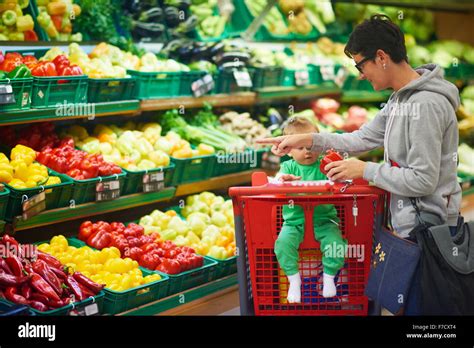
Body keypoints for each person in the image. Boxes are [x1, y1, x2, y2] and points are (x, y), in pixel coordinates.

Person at [258, 14, 461, 241]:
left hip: (433, 232)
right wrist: (306, 139)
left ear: (381, 57)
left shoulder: (425, 105)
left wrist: (365, 170)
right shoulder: (399, 100)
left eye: (360, 66)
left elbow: (423, 180)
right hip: (414, 226)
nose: (361, 75)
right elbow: (361, 139)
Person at [274, 117, 347, 303]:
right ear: (288, 151)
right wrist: (283, 179)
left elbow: (341, 177)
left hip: (325, 220)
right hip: (294, 222)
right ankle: (293, 280)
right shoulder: (287, 166)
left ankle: (329, 278)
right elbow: (277, 179)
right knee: (282, 244)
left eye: (311, 146)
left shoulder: (325, 165)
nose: (307, 151)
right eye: (300, 148)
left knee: (337, 244)